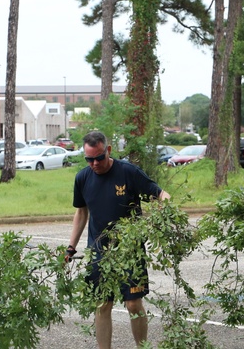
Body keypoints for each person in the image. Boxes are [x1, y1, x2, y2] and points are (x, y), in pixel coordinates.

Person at [65, 131, 170, 349]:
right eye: (89, 159)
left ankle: (143, 347)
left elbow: (161, 195)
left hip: (129, 251)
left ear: (108, 151)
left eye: (99, 158)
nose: (94, 163)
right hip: (99, 252)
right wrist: (70, 248)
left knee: (133, 304)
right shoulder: (82, 178)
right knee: (103, 304)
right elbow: (81, 213)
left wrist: (165, 216)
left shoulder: (128, 172)